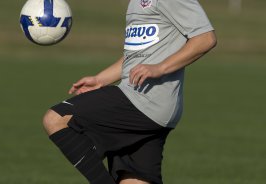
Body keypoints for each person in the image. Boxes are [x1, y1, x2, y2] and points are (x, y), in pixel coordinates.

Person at [43, 0, 217, 184]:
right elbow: (136, 54)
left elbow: (205, 38)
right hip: (147, 104)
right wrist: (101, 79)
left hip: (145, 101)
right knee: (133, 180)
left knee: (56, 118)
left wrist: (161, 68)